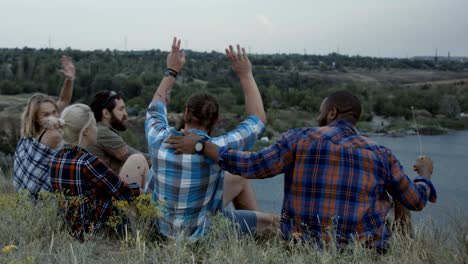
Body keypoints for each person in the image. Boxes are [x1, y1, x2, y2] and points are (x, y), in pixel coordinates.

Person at [166, 91, 437, 252]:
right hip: (361, 251)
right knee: (398, 196)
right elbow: (416, 200)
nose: (318, 118)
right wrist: (424, 175)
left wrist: (202, 145)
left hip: (301, 246)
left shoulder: (298, 139)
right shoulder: (381, 154)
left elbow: (252, 165)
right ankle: (405, 253)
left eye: (321, 113)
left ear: (332, 112)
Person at [146, 37, 278, 239]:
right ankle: (255, 246)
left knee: (237, 179)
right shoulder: (218, 147)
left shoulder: (158, 139)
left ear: (186, 113)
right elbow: (257, 120)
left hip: (163, 231)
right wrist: (245, 75)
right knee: (273, 223)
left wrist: (172, 70)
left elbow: (156, 106)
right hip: (201, 234)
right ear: (216, 121)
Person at [49, 104, 140, 239]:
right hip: (96, 231)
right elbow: (124, 193)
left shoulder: (56, 157)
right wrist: (143, 191)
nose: (96, 129)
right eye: (94, 125)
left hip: (69, 229)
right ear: (85, 131)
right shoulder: (89, 162)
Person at [14, 56, 75, 196]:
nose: (52, 117)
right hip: (40, 201)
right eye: (46, 115)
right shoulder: (51, 135)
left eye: (54, 112)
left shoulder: (27, 131)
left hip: (23, 198)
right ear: (35, 118)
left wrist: (69, 79)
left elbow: (64, 100)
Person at [88, 91, 150, 189]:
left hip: (100, 190)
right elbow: (136, 156)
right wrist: (167, 159)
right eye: (121, 109)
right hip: (102, 196)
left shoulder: (98, 129)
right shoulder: (102, 132)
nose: (125, 114)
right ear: (106, 113)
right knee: (139, 160)